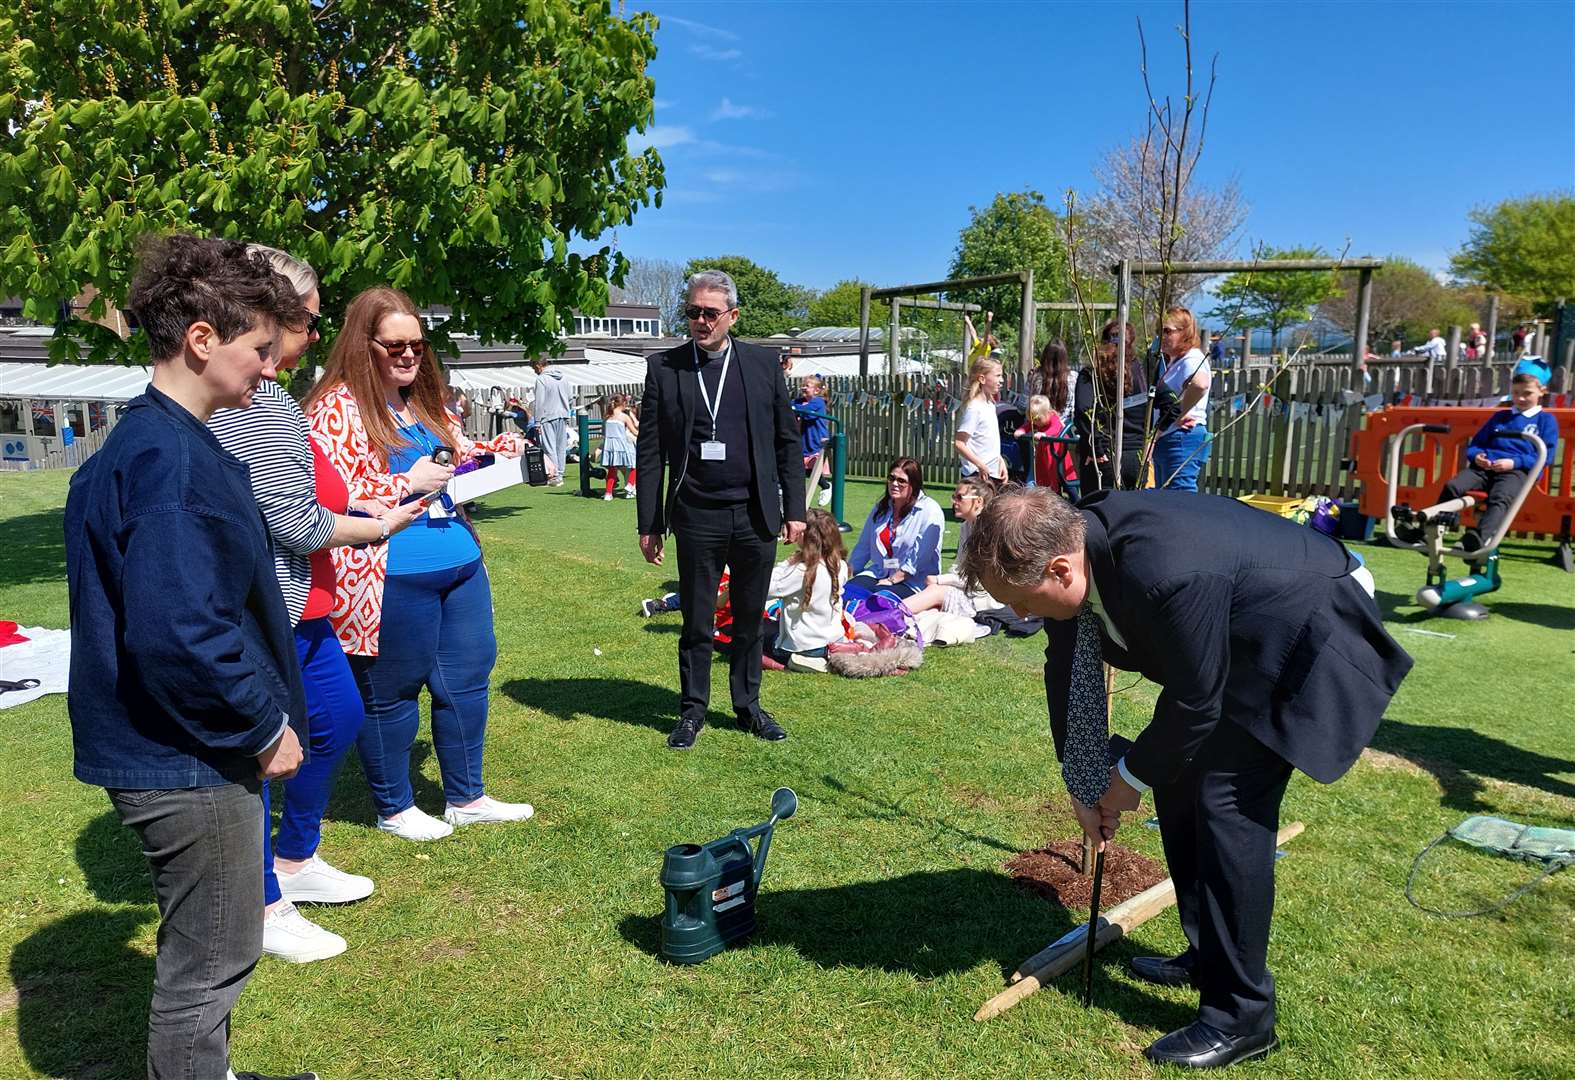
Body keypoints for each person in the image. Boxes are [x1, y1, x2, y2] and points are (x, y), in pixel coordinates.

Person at [959, 486, 1413, 1069]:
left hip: (1305, 619)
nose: (1020, 615)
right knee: (1178, 777)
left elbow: (1198, 703)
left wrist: (1125, 780)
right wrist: (1083, 776)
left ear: (1060, 567)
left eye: (1020, 599)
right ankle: (1208, 955)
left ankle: (1241, 1016)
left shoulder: (1164, 571)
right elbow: (1069, 668)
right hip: (1233, 627)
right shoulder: (1077, 552)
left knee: (1226, 801)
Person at [64, 233, 317, 1080]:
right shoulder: (169, 460)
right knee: (209, 965)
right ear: (202, 339)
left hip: (166, 748)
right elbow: (180, 634)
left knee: (202, 952)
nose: (271, 369)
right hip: (185, 759)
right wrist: (260, 726)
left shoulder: (149, 441)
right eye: (258, 348)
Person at [209, 248, 425, 964]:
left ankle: (295, 860)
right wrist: (380, 523)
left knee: (335, 719)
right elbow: (293, 520)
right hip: (271, 605)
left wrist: (365, 504)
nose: (309, 336)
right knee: (268, 745)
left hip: (307, 602)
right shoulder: (254, 402)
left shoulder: (271, 398)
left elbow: (313, 497)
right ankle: (261, 897)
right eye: (303, 320)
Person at [305, 288, 532, 841]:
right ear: (365, 346)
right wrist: (407, 483)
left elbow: (451, 460)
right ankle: (394, 805)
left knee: (469, 678)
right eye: (396, 346)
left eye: (418, 345)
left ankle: (466, 796)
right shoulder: (335, 408)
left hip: (459, 561)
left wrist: (487, 453)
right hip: (390, 571)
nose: (410, 356)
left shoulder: (422, 401)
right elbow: (331, 496)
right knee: (392, 690)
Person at [635, 268, 806, 750]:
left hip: (754, 515)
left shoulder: (761, 364)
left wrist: (795, 509)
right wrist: (650, 522)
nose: (701, 321)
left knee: (751, 617)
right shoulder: (664, 368)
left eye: (710, 313)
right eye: (693, 312)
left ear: (731, 316)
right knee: (696, 618)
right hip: (696, 515)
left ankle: (748, 706)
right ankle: (692, 710)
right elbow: (650, 451)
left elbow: (786, 442)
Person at [1394, 368, 1558, 555]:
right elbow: (1477, 444)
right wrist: (1477, 456)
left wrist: (1514, 463)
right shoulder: (1500, 416)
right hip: (1484, 468)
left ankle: (1478, 538)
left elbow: (1546, 455)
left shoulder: (1546, 420)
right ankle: (1428, 531)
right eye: (1516, 393)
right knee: (1452, 486)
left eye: (1527, 393)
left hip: (1516, 471)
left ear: (1541, 392)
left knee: (1500, 497)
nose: (1520, 398)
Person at [895, 475, 1006, 620]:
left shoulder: (988, 530)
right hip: (969, 590)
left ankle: (886, 615)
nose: (954, 502)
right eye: (954, 496)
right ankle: (889, 622)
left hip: (988, 598)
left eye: (960, 497)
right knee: (929, 609)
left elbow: (982, 582)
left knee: (935, 592)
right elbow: (959, 567)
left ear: (978, 501)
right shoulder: (966, 526)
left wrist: (941, 580)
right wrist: (942, 580)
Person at [846, 457, 945, 601]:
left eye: (901, 481)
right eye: (891, 478)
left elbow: (920, 558)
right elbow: (864, 546)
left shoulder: (930, 510)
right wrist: (846, 573)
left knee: (877, 602)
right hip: (880, 572)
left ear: (914, 484)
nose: (894, 484)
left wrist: (893, 580)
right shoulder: (881, 508)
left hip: (912, 581)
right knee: (848, 593)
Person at [765, 508, 850, 673]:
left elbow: (766, 588)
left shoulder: (800, 571)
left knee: (760, 629)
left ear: (805, 535)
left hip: (804, 646)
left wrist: (788, 563)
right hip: (833, 641)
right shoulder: (841, 565)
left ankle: (797, 660)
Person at [1073, 320, 1150, 490]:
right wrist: (1151, 442)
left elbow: (1084, 410)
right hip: (1135, 456)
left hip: (1104, 457)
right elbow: (1170, 404)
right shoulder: (1142, 373)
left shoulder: (1091, 373)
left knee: (1097, 512)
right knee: (1132, 514)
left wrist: (1097, 448)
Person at [1152, 306, 1213, 491]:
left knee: (1181, 500)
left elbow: (1200, 384)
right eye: (1159, 331)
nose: (1161, 336)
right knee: (1168, 500)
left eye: (1167, 331)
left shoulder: (1191, 359)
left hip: (1181, 439)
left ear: (1185, 332)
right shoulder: (1175, 361)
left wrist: (1181, 413)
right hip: (1171, 438)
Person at [954, 355, 1007, 482]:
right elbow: (959, 443)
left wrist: (1000, 461)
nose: (1002, 380)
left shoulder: (990, 405)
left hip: (992, 473)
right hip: (977, 475)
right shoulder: (974, 408)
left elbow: (989, 441)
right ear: (982, 379)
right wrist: (980, 465)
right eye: (997, 376)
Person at [1015, 394, 1075, 494]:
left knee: (1063, 477)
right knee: (1044, 475)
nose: (1036, 423)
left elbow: (1056, 427)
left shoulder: (1054, 418)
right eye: (1033, 419)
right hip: (1045, 453)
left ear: (1048, 413)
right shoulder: (1037, 421)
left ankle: (1075, 499)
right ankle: (1052, 493)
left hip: (1058, 453)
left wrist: (1045, 434)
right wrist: (1021, 431)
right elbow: (1028, 426)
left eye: (1038, 419)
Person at [531, 356, 573, 485]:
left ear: (538, 365)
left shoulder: (542, 379)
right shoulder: (564, 378)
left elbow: (540, 402)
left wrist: (537, 422)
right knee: (561, 447)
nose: (534, 371)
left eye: (534, 368)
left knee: (549, 447)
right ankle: (560, 473)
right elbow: (570, 398)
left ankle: (554, 476)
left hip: (547, 417)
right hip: (563, 415)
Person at [797, 375, 833, 507]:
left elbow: (806, 411)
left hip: (817, 443)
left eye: (807, 386)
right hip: (804, 443)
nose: (803, 387)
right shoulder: (800, 401)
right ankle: (801, 503)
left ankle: (826, 486)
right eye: (803, 385)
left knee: (813, 470)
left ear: (817, 390)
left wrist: (795, 408)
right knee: (804, 471)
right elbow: (788, 405)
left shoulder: (818, 402)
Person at [1027, 340, 1076, 428]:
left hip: (1035, 429)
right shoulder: (1073, 378)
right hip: (1062, 431)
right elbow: (1073, 409)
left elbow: (1022, 407)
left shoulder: (1034, 377)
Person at [600, 393, 639, 500]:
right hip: (622, 445)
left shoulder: (607, 416)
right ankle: (630, 485)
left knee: (612, 469)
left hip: (610, 447)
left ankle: (608, 493)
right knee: (633, 465)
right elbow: (634, 431)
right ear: (623, 403)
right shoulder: (624, 416)